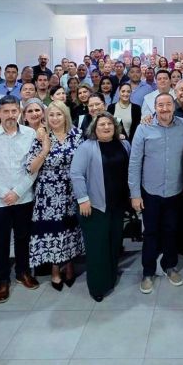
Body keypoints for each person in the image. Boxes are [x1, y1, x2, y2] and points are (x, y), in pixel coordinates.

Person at [130, 93, 183, 294]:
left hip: (175, 190)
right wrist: (135, 194)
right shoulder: (144, 127)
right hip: (150, 191)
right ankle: (148, 272)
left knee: (171, 230)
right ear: (154, 107)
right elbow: (135, 161)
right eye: (160, 105)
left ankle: (170, 266)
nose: (164, 108)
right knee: (150, 232)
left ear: (174, 106)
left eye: (168, 104)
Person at [0, 96, 40, 302]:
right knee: (0, 240)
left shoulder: (30, 134)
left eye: (14, 111)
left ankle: (23, 272)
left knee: (23, 237)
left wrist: (18, 192)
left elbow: (33, 167)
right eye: (6, 111)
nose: (10, 115)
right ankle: (2, 280)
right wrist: (5, 193)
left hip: (24, 197)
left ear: (19, 112)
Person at [70, 113, 131, 302]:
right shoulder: (86, 147)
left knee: (113, 243)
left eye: (109, 124)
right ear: (94, 129)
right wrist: (83, 199)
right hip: (95, 206)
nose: (106, 127)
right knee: (97, 248)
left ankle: (110, 278)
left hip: (117, 205)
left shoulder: (124, 145)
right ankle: (97, 286)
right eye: (101, 124)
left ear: (115, 127)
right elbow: (76, 174)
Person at [27, 100, 86, 291]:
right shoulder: (41, 136)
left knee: (70, 229)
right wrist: (45, 150)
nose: (55, 118)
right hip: (48, 194)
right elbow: (30, 168)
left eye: (58, 114)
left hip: (72, 190)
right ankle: (54, 269)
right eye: (51, 115)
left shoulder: (77, 135)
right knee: (53, 231)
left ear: (65, 116)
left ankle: (69, 265)